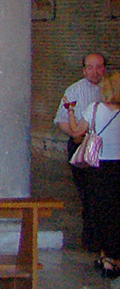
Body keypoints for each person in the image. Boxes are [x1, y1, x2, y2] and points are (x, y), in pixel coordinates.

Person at [57, 51, 108, 251]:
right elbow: (61, 119)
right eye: (90, 67)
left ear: (104, 68)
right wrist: (74, 133)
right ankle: (91, 239)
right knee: (88, 194)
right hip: (81, 145)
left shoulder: (111, 89)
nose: (95, 72)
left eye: (99, 67)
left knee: (103, 194)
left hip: (106, 149)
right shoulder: (74, 90)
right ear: (83, 69)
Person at [71, 72, 120, 276]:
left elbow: (76, 133)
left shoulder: (95, 109)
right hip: (118, 166)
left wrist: (72, 113)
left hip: (98, 166)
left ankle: (105, 257)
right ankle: (113, 256)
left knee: (99, 211)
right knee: (116, 211)